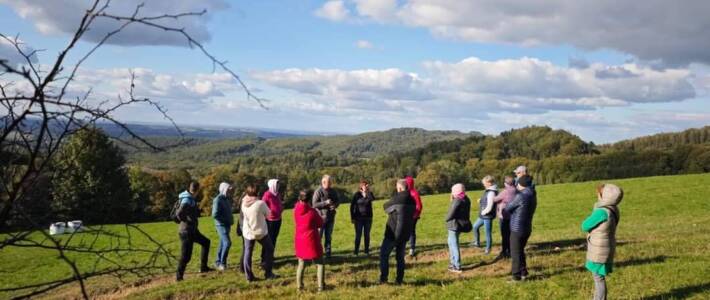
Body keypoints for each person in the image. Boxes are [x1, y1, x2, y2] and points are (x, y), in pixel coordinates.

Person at [582, 184, 623, 300]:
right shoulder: (614, 209)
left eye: (600, 194)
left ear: (604, 196)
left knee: (598, 278)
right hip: (607, 246)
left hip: (599, 250)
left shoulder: (601, 212)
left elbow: (584, 226)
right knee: (599, 277)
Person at [379, 179, 415, 285]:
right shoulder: (412, 200)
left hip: (393, 233)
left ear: (399, 187)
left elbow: (385, 207)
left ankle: (384, 279)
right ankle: (399, 280)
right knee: (400, 258)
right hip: (405, 232)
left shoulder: (398, 198)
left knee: (384, 255)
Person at [241, 183, 278, 281]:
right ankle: (268, 273)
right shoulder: (260, 203)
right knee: (270, 249)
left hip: (248, 232)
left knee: (248, 253)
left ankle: (249, 276)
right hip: (260, 232)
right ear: (257, 193)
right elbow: (269, 215)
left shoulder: (243, 202)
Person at [176, 181, 212, 281]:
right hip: (186, 231)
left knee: (206, 242)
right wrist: (188, 221)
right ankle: (179, 277)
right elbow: (179, 214)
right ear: (197, 190)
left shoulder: (188, 197)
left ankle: (204, 268)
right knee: (186, 256)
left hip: (192, 230)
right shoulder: (187, 199)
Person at [504, 175, 537, 282]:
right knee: (520, 251)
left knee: (515, 253)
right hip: (526, 228)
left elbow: (508, 208)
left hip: (517, 228)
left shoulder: (521, 196)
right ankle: (523, 272)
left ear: (520, 184)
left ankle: (516, 277)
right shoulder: (532, 194)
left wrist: (508, 202)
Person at [294, 190, 326, 292]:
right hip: (312, 240)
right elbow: (320, 223)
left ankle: (300, 287)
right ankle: (320, 287)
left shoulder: (295, 209)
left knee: (301, 263)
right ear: (309, 200)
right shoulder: (312, 212)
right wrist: (323, 218)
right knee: (320, 263)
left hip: (300, 239)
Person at [445, 183, 472, 273]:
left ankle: (457, 265)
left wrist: (446, 219)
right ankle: (453, 263)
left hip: (454, 225)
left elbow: (451, 214)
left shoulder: (457, 200)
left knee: (453, 245)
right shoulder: (466, 199)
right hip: (460, 224)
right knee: (451, 243)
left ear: (455, 192)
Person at [312, 175, 339, 258]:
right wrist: (325, 203)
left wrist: (335, 205)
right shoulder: (318, 191)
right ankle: (317, 254)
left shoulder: (333, 191)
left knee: (328, 237)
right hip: (320, 219)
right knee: (318, 237)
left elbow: (338, 201)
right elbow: (314, 204)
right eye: (329, 182)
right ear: (323, 182)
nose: (330, 184)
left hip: (331, 218)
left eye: (331, 182)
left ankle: (328, 254)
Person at [471, 175, 497, 254]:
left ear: (489, 183)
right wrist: (481, 200)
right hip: (483, 215)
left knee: (487, 233)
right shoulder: (488, 190)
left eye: (484, 183)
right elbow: (486, 200)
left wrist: (484, 212)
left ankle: (488, 249)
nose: (483, 184)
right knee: (475, 227)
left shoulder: (492, 192)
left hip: (487, 216)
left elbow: (490, 206)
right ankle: (477, 242)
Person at [212, 182, 234, 271]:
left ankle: (217, 262)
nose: (230, 192)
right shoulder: (218, 200)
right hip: (221, 225)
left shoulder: (226, 199)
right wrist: (226, 220)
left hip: (227, 225)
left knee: (222, 243)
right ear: (224, 189)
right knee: (227, 243)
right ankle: (222, 263)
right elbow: (215, 215)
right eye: (228, 190)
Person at [262, 179, 284, 266]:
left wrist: (281, 207)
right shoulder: (267, 195)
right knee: (268, 240)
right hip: (270, 221)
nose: (278, 186)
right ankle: (264, 258)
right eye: (277, 185)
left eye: (278, 184)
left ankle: (271, 255)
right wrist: (270, 212)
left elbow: (279, 203)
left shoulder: (277, 194)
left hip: (278, 220)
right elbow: (263, 206)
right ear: (272, 185)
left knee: (274, 238)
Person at [493, 176, 516, 259]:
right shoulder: (516, 190)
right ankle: (511, 250)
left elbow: (495, 199)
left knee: (504, 235)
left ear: (505, 184)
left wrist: (493, 194)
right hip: (514, 215)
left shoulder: (505, 192)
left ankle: (504, 251)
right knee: (511, 234)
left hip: (504, 215)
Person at [350, 180, 374, 256]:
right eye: (364, 185)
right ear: (361, 186)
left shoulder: (370, 194)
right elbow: (351, 206)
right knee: (358, 235)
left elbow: (372, 199)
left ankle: (366, 251)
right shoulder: (356, 195)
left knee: (367, 234)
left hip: (368, 218)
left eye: (367, 185)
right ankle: (356, 251)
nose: (366, 186)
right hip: (358, 218)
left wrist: (367, 192)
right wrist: (352, 217)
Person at [405, 176, 423, 257]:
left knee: (411, 231)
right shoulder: (406, 192)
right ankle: (407, 247)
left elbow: (419, 205)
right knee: (406, 231)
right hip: (406, 215)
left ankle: (412, 248)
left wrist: (415, 215)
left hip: (413, 216)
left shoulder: (414, 193)